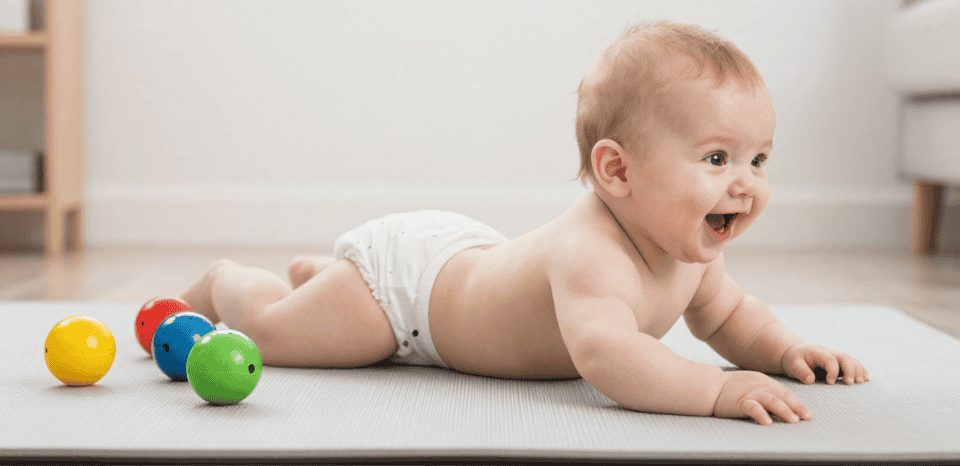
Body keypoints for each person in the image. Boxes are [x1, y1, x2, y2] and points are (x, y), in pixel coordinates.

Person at [182, 21, 868, 426]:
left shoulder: (693, 255)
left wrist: (782, 353)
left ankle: (324, 279)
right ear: (618, 172)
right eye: (717, 158)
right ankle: (234, 282)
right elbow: (608, 358)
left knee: (327, 311)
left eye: (759, 159)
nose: (745, 183)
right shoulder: (592, 255)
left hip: (465, 261)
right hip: (407, 299)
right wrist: (717, 390)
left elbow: (729, 317)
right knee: (274, 336)